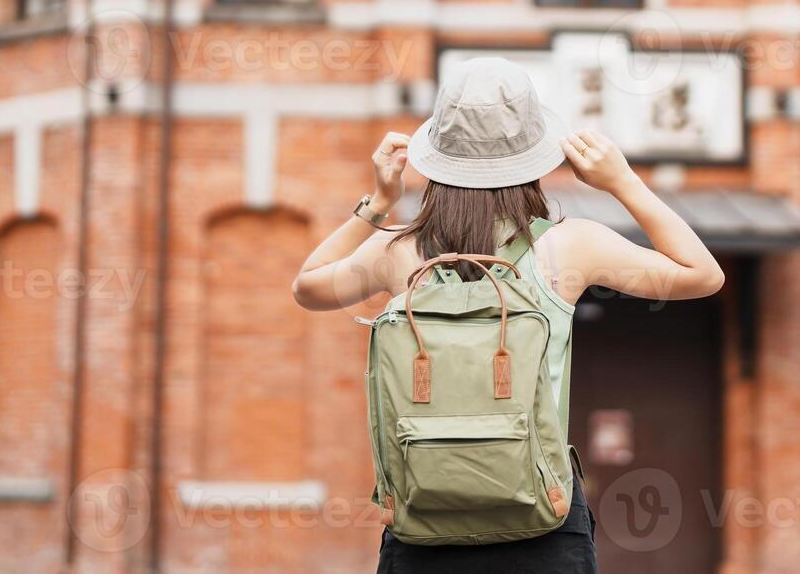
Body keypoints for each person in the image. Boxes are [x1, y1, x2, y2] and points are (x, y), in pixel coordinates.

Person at [292, 57, 725, 573]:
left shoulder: (401, 252)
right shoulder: (570, 246)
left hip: (422, 516)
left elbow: (309, 287)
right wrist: (622, 182)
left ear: (437, 157)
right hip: (544, 515)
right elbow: (703, 274)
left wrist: (379, 203)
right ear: (534, 157)